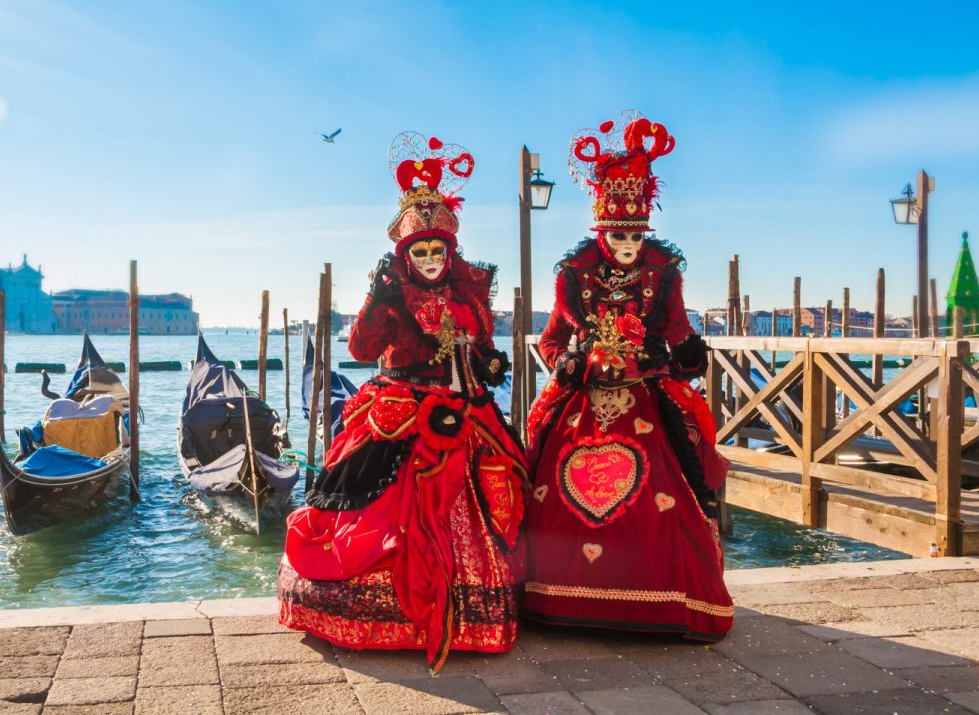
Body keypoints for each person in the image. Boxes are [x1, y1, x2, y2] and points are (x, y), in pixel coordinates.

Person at [278, 132, 529, 672]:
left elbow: (481, 346)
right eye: (421, 250)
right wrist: (376, 298)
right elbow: (362, 349)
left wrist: (487, 364)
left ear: (451, 250)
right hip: (396, 408)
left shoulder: (468, 293)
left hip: (462, 409)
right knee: (378, 506)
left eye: (439, 250)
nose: (432, 259)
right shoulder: (391, 293)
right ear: (405, 253)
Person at [522, 112, 733, 640]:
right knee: (542, 454)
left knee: (682, 468)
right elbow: (551, 341)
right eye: (617, 235)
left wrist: (685, 354)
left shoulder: (663, 271)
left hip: (643, 392)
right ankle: (555, 595)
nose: (627, 245)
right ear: (601, 231)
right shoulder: (575, 276)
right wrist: (568, 366)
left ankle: (664, 600)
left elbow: (674, 330)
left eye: (636, 235)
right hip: (585, 394)